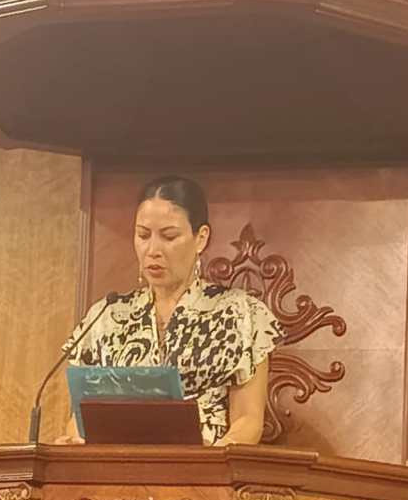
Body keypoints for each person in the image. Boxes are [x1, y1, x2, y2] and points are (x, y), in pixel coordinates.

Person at [55, 176, 283, 446]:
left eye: (169, 236)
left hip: (205, 464)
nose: (152, 250)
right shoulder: (106, 316)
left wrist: (211, 460)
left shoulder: (242, 314)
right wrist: (74, 441)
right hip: (118, 464)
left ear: (201, 238)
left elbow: (248, 420)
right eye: (143, 235)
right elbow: (80, 418)